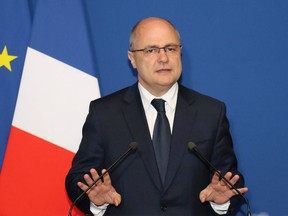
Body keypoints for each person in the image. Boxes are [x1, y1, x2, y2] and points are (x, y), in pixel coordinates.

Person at [65, 17, 248, 215]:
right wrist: (96, 201)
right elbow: (78, 178)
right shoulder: (104, 113)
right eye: (151, 50)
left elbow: (229, 181)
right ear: (132, 59)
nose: (163, 58)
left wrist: (221, 202)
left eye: (170, 48)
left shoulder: (211, 112)